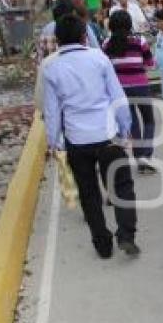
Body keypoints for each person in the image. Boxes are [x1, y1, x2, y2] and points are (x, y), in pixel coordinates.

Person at [42, 14, 140, 259]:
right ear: (85, 36)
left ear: (58, 40)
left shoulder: (50, 67)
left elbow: (52, 110)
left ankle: (102, 243)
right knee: (122, 187)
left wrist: (53, 142)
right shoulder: (99, 58)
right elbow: (117, 96)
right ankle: (126, 235)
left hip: (76, 139)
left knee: (89, 193)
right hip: (107, 134)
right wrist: (125, 126)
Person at [102, 10, 158, 175]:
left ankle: (138, 154)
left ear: (111, 25)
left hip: (120, 90)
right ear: (129, 24)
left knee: (132, 121)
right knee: (149, 120)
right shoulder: (139, 41)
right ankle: (145, 155)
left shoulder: (107, 44)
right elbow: (150, 63)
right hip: (141, 86)